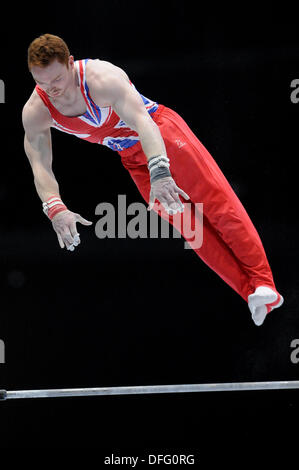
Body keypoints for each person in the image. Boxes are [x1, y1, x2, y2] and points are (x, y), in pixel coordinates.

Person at [22, 33, 283, 326]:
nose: (51, 89)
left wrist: (160, 171)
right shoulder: (36, 111)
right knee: (190, 228)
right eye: (41, 82)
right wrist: (54, 207)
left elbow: (143, 123)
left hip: (162, 137)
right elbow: (40, 163)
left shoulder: (101, 79)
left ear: (70, 64)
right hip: (132, 159)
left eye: (56, 79)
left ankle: (263, 281)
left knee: (216, 207)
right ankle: (252, 294)